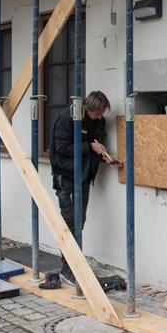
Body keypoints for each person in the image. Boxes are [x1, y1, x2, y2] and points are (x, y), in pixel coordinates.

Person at [50, 90, 120, 285]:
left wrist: (107, 158)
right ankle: (68, 269)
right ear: (89, 108)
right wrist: (89, 147)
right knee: (69, 223)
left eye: (101, 114)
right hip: (65, 176)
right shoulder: (67, 118)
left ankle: (73, 266)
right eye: (97, 113)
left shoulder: (98, 122)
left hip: (83, 177)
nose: (100, 117)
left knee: (79, 222)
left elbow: (96, 145)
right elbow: (61, 148)